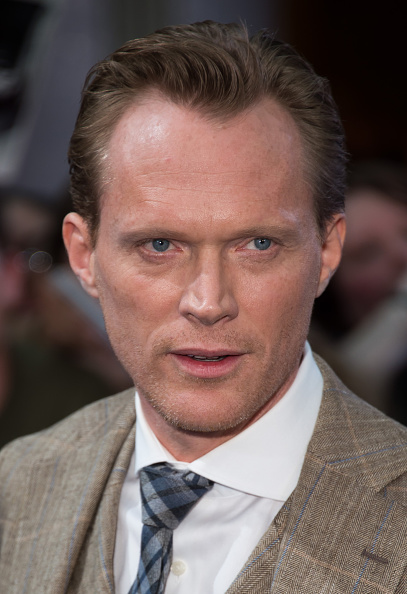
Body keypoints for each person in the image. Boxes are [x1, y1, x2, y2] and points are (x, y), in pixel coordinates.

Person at [1, 21, 407, 594]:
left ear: (326, 252)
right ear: (84, 256)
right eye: (159, 245)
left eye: (258, 244)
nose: (208, 302)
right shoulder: (16, 485)